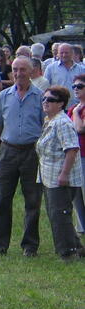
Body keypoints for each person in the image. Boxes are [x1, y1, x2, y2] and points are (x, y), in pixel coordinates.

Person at [0, 57, 44, 258]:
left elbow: (45, 128)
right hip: (7, 151)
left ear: (31, 71)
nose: (19, 73)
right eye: (15, 69)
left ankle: (30, 246)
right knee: (2, 200)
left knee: (33, 200)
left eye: (23, 69)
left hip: (32, 152)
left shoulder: (40, 97)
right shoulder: (4, 96)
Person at [35, 86, 84, 261]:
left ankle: (68, 252)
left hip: (61, 178)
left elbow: (71, 150)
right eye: (44, 99)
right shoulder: (50, 120)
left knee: (60, 215)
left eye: (51, 100)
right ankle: (77, 247)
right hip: (48, 176)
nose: (45, 102)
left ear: (61, 104)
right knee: (54, 212)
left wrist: (64, 175)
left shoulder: (62, 123)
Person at [70, 83, 85, 234]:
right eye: (74, 86)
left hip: (84, 153)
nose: (76, 88)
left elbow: (80, 128)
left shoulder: (75, 110)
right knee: (76, 193)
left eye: (80, 86)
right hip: (74, 154)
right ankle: (81, 226)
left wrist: (75, 112)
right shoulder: (74, 108)